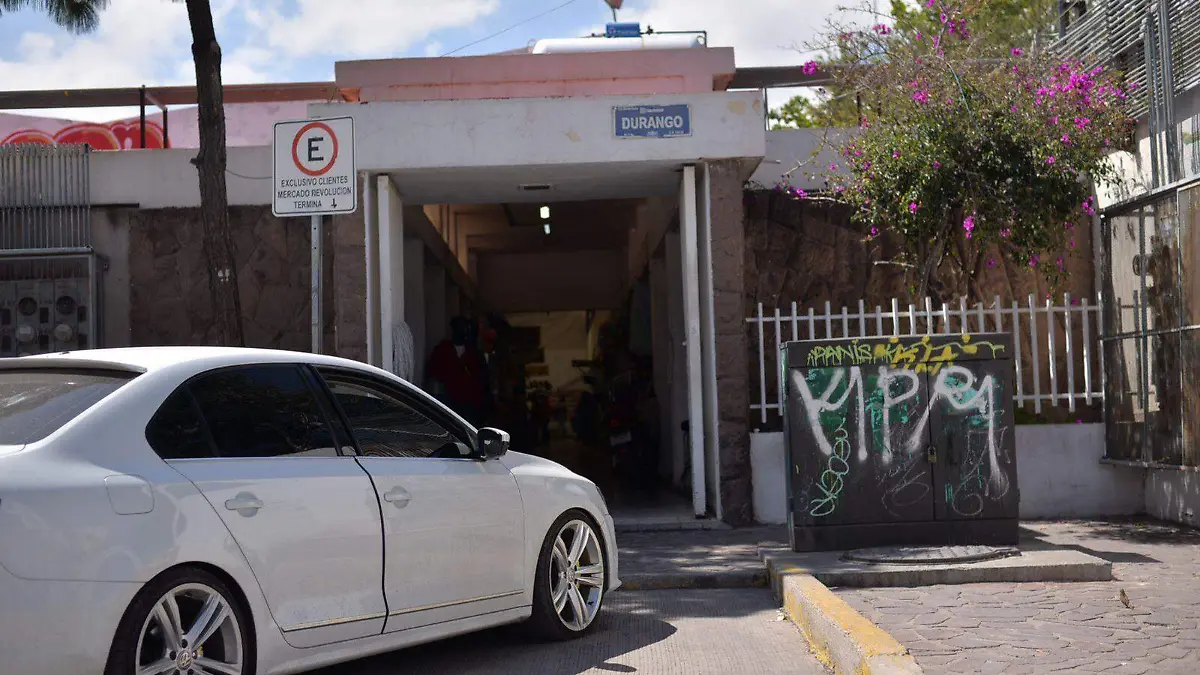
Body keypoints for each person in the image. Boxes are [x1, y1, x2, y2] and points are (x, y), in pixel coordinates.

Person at [427, 316, 485, 426]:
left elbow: (480, 377)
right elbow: (433, 374)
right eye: (459, 327)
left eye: (464, 328)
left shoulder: (473, 352)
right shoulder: (442, 350)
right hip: (447, 399)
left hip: (469, 401)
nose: (462, 331)